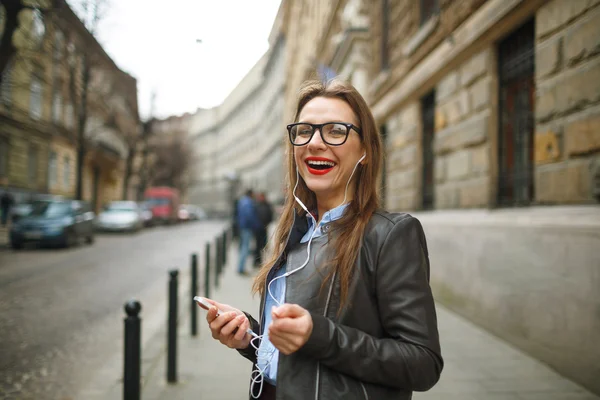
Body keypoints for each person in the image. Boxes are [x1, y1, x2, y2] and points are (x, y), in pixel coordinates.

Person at [204, 79, 443, 400]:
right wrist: (249, 337)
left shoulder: (391, 234)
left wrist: (320, 336)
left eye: (335, 131)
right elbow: (293, 355)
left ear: (365, 151)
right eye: (305, 131)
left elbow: (423, 363)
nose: (315, 142)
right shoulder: (294, 232)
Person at [236, 189, 261, 276]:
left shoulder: (242, 201)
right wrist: (256, 225)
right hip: (247, 227)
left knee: (243, 247)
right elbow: (249, 215)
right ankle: (241, 268)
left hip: (243, 226)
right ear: (251, 194)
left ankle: (240, 267)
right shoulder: (248, 202)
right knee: (245, 248)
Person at [253, 192, 273, 268]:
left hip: (264, 228)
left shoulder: (267, 205)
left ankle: (261, 261)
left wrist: (267, 223)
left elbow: (270, 214)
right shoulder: (256, 205)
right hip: (257, 228)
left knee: (263, 245)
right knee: (257, 245)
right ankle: (256, 261)